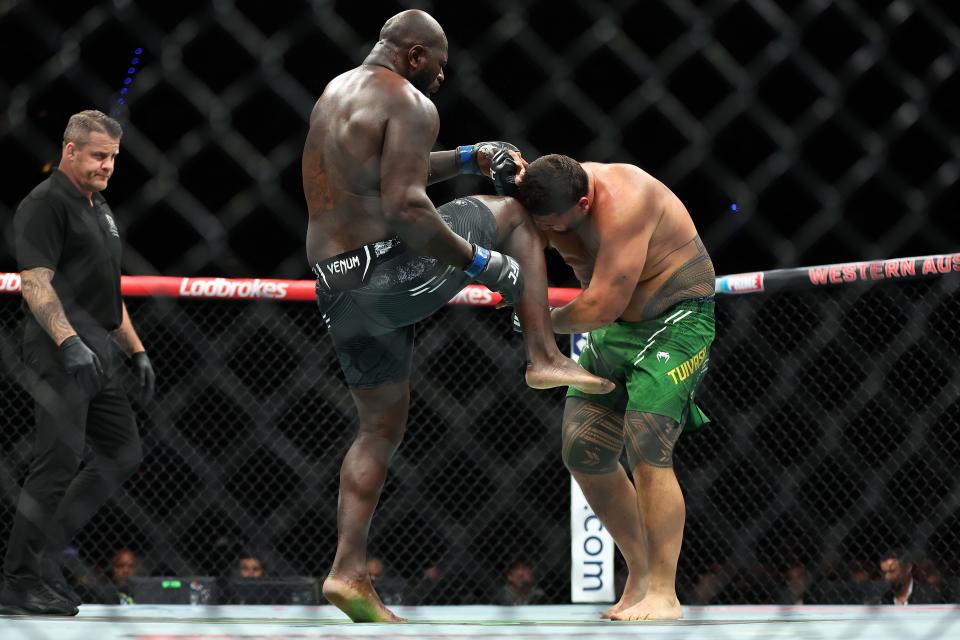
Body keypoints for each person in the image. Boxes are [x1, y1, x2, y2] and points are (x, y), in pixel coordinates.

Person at [301, 10, 612, 623]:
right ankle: (544, 355)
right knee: (514, 217)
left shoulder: (334, 93)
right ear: (416, 56)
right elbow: (409, 204)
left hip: (335, 285)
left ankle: (346, 572)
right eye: (439, 69)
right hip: (386, 270)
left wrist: (468, 155)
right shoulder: (411, 102)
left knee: (378, 429)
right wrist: (481, 265)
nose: (441, 81)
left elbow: (397, 171)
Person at [511, 153, 717, 620]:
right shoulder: (543, 193)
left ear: (583, 203)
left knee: (646, 444)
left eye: (557, 227)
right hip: (616, 333)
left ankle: (665, 592)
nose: (552, 236)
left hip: (676, 321)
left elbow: (601, 305)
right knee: (582, 449)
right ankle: (640, 574)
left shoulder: (627, 200)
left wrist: (535, 320)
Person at [0, 110, 155, 616]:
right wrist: (68, 342)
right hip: (58, 345)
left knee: (123, 452)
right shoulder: (46, 203)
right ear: (70, 150)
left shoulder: (100, 205)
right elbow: (35, 282)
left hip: (100, 347)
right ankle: (18, 579)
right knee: (57, 461)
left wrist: (136, 348)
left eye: (113, 157)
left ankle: (44, 557)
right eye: (98, 155)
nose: (108, 165)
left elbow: (110, 286)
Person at [878, 548, 944, 605]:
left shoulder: (928, 594)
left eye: (892, 571)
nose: (887, 577)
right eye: (884, 573)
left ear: (908, 568)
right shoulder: (885, 598)